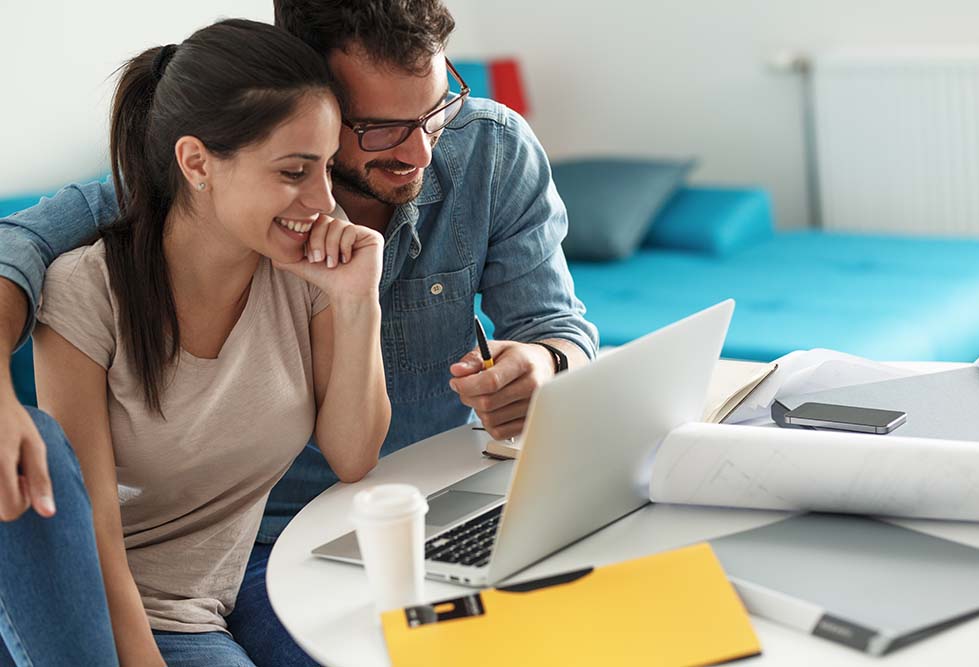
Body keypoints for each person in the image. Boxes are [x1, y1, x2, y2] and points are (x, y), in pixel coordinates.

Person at [0, 1, 598, 665]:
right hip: (232, 565)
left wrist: (543, 362)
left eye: (435, 113)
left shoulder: (317, 253)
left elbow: (554, 328)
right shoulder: (143, 237)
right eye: (379, 127)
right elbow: (16, 242)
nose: (421, 148)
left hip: (404, 513)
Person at [2, 17, 389, 667]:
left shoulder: (308, 269)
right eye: (295, 170)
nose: (323, 199)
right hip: (84, 609)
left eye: (327, 168)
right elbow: (93, 531)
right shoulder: (87, 290)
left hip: (196, 609)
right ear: (196, 163)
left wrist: (357, 300)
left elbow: (353, 454)